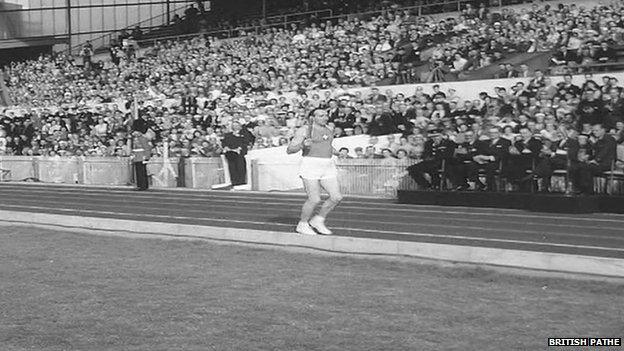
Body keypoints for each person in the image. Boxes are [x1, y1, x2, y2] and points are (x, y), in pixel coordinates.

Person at [287, 109, 343, 236]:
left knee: (336, 197)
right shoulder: (305, 130)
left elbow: (326, 145)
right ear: (313, 117)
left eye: (326, 115)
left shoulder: (329, 129)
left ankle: (318, 220)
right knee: (314, 199)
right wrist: (302, 145)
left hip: (327, 165)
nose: (325, 117)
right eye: (321, 115)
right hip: (311, 164)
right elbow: (289, 150)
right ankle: (302, 224)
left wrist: (337, 152)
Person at [569, 124, 617, 195]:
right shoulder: (597, 141)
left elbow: (604, 152)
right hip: (596, 162)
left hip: (607, 163)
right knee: (577, 166)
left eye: (596, 130)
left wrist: (595, 160)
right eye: (593, 131)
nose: (594, 132)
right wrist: (588, 157)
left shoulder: (609, 139)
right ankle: (578, 188)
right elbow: (593, 152)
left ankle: (588, 191)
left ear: (603, 130)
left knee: (586, 168)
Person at [222, 121, 254, 187]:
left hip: (240, 153)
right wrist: (226, 147)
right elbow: (224, 143)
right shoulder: (228, 135)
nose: (235, 126)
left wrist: (239, 148)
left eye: (237, 125)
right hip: (230, 153)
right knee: (232, 168)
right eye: (233, 125)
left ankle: (241, 182)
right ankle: (234, 182)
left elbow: (246, 142)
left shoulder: (245, 134)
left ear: (240, 126)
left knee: (240, 167)